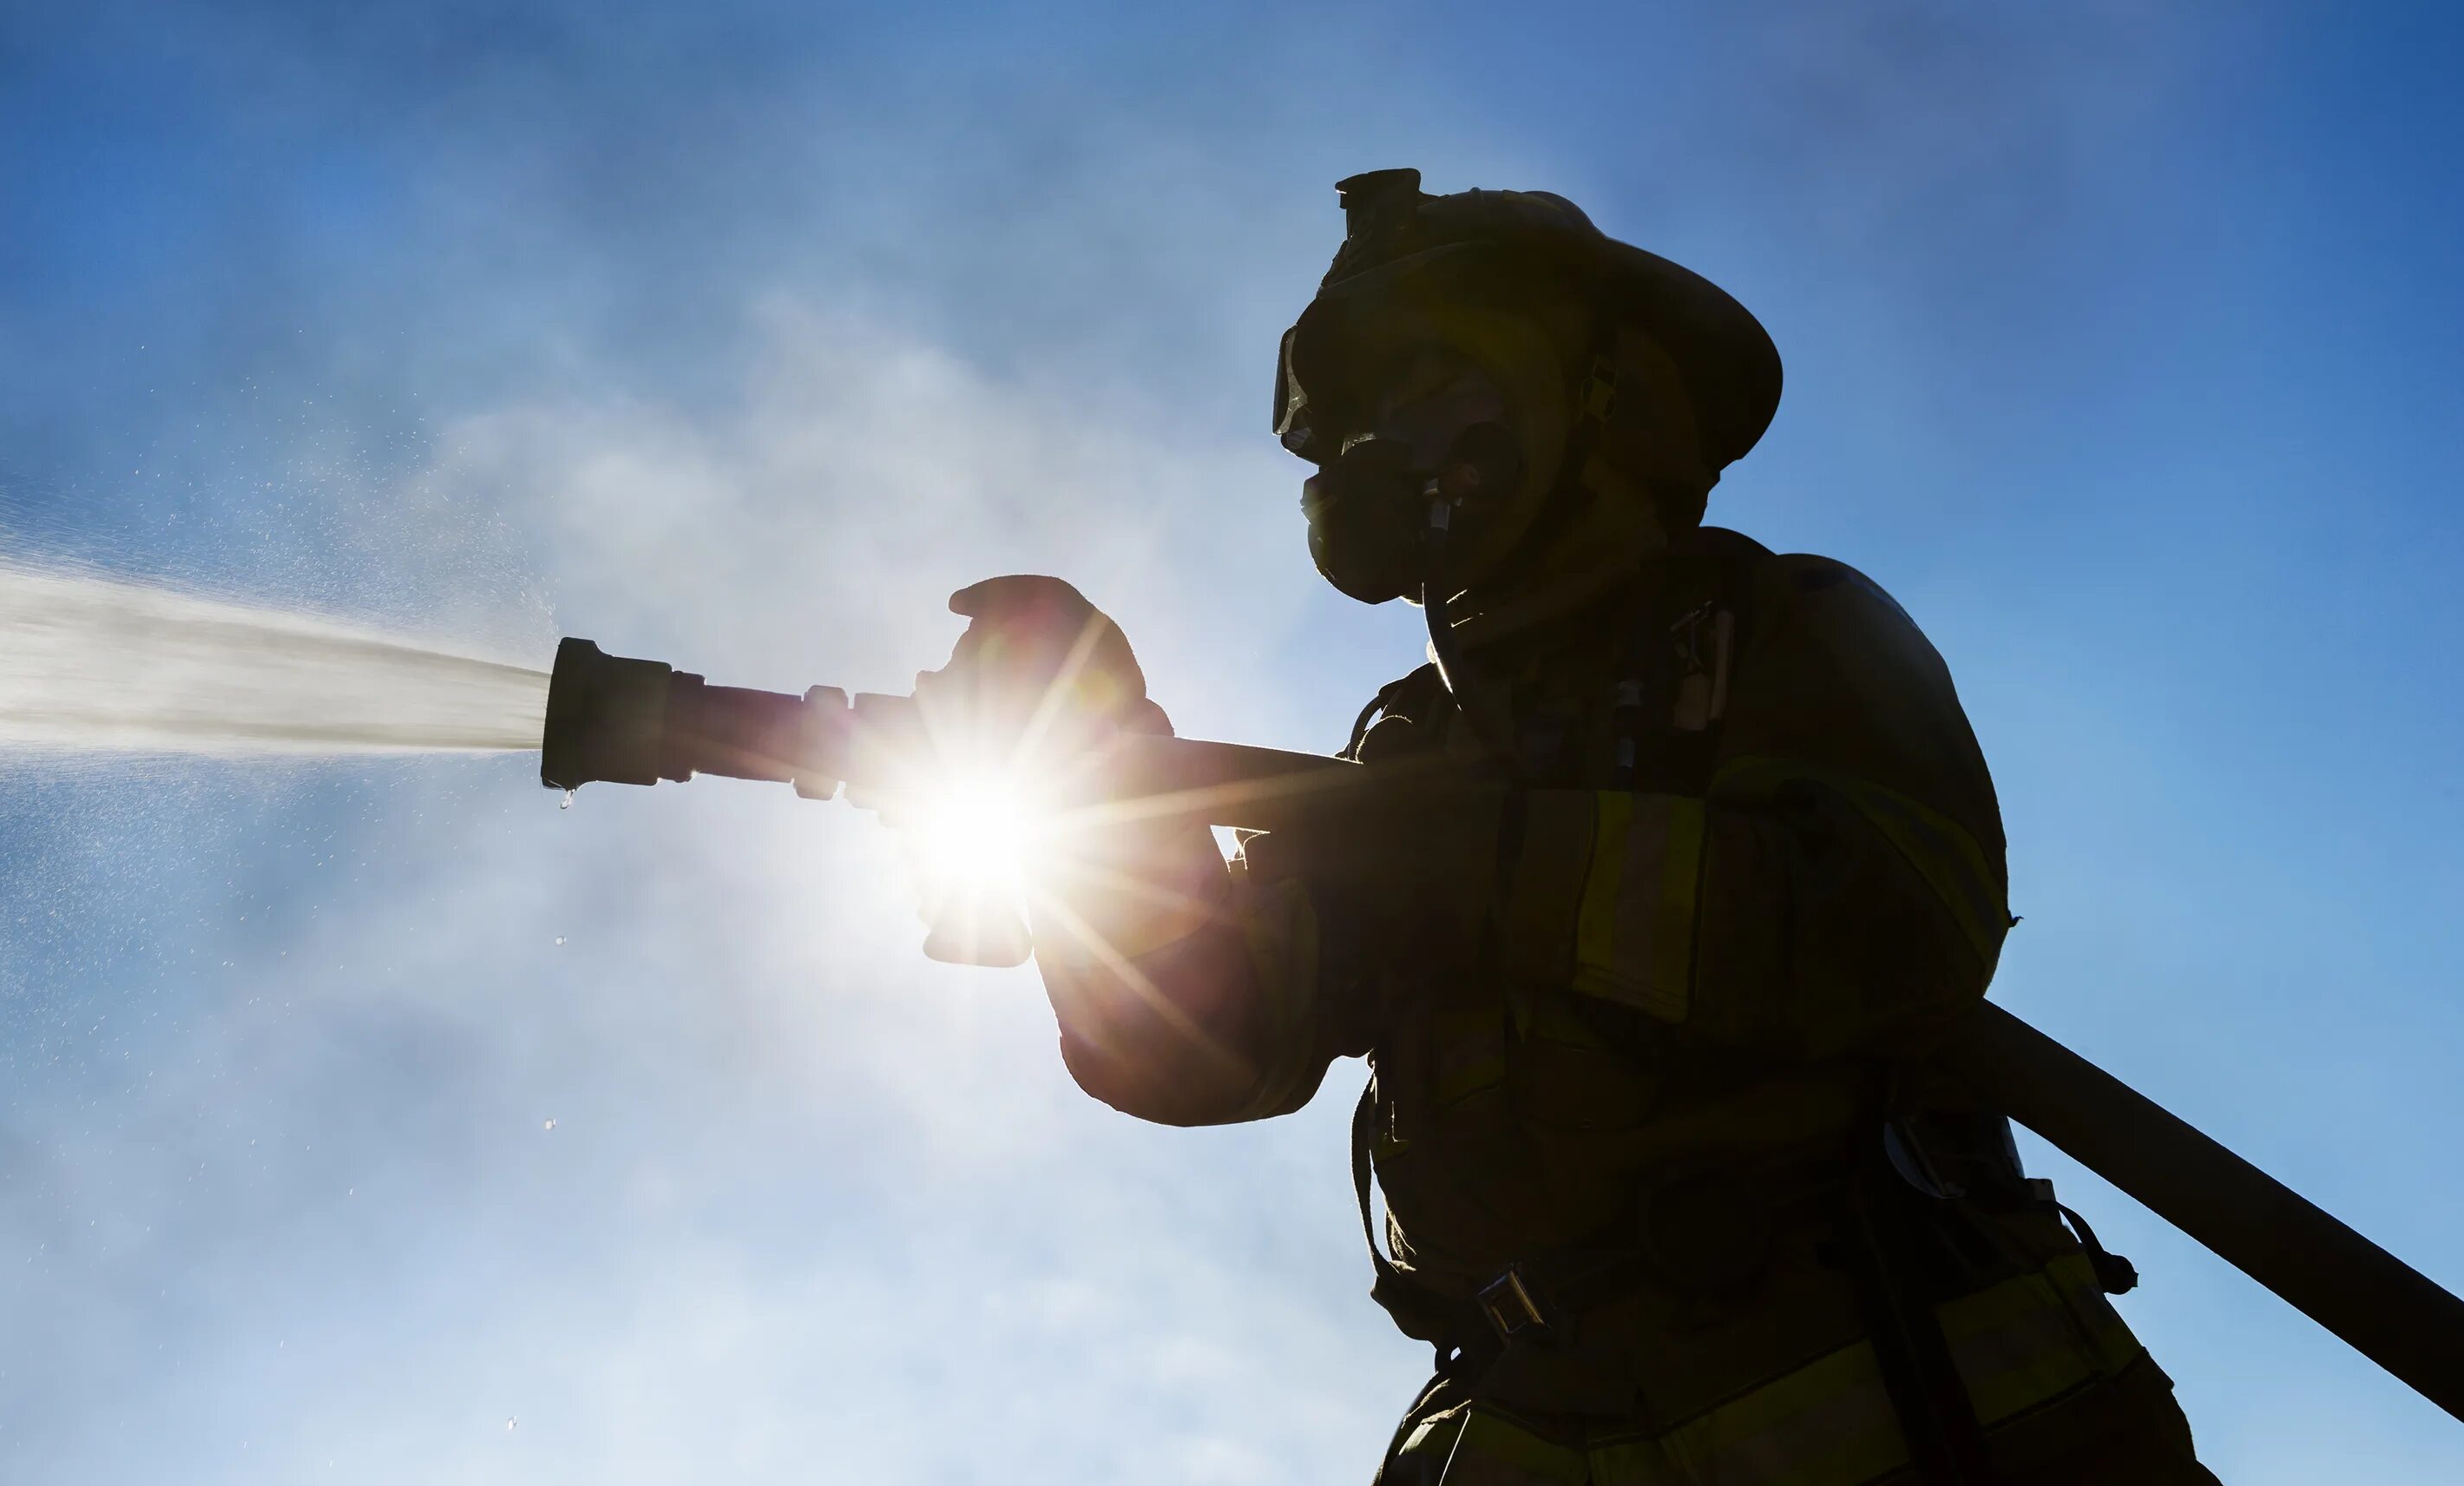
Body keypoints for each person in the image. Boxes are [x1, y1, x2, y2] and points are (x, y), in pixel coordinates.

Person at [912, 169, 2217, 1484]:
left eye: (1425, 389)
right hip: (1538, 1409)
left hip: (1917, 1393)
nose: (1377, 447)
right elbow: (1204, 1046)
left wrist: (1472, 861)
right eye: (1354, 417)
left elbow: (1888, 927)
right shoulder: (1405, 751)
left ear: (1600, 400)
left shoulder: (1776, 626)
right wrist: (1102, 781)